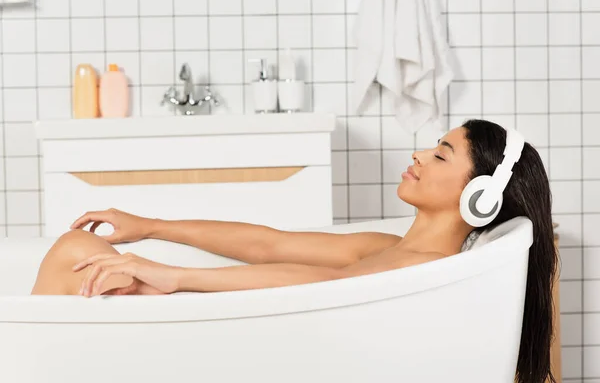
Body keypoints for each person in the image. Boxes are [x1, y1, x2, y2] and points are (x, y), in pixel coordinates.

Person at [30, 119, 557, 383]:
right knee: (82, 253)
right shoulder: (389, 249)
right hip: (245, 345)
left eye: (441, 154)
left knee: (76, 254)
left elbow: (317, 289)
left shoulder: (421, 270)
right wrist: (151, 227)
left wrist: (172, 276)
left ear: (479, 196)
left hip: (240, 353)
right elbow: (267, 244)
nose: (419, 153)